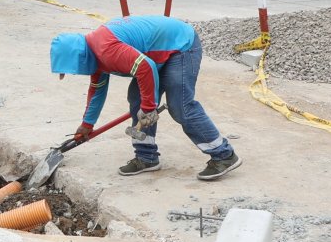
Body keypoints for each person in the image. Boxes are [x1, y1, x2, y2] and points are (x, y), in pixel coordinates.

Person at [49, 15, 241, 181]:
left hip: (181, 46)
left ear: (79, 57)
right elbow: (97, 90)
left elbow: (145, 67)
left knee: (180, 105)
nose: (76, 73)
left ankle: (223, 155)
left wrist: (149, 107)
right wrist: (87, 124)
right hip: (157, 52)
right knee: (137, 99)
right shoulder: (94, 54)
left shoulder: (106, 49)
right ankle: (146, 157)